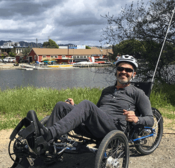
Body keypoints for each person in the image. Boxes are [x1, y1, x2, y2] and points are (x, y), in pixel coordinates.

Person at [25, 55, 154, 149]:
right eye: (121, 69)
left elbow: (150, 119)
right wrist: (74, 108)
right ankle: (44, 145)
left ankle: (48, 134)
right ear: (116, 71)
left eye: (128, 70)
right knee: (61, 106)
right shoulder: (107, 90)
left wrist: (136, 119)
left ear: (134, 74)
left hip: (114, 128)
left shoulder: (138, 93)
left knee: (87, 104)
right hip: (98, 126)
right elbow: (96, 111)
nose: (124, 72)